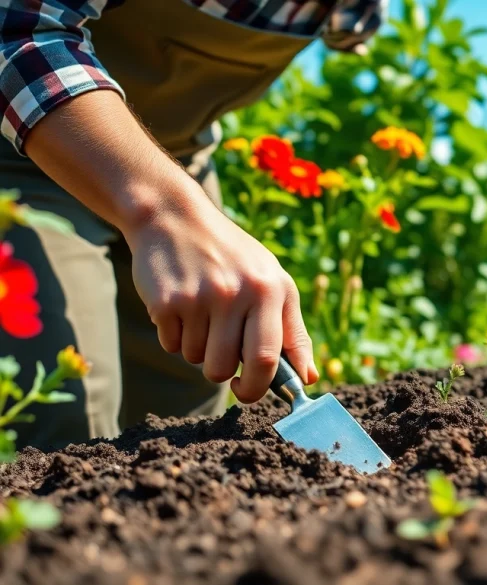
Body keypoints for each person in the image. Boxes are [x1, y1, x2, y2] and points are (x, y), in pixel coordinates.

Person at [0, 0, 386, 449]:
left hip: (179, 164)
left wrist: (176, 201)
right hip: (22, 158)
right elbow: (16, 26)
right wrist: (163, 209)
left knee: (189, 418)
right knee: (58, 410)